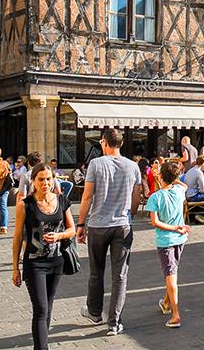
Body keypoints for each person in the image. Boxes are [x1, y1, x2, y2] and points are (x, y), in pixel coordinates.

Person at [76, 128, 142, 336]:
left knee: (96, 271)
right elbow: (137, 196)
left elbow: (87, 197)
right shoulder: (133, 167)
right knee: (120, 275)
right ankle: (114, 322)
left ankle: (95, 312)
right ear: (121, 144)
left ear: (104, 142)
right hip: (122, 225)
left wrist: (80, 224)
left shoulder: (95, 164)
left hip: (97, 224)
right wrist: (128, 216)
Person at [12, 163, 75, 350]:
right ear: (33, 181)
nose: (45, 183)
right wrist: (15, 267)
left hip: (56, 261)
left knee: (48, 306)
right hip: (34, 262)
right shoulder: (25, 204)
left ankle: (42, 342)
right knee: (40, 309)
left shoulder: (62, 201)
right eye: (41, 179)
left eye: (48, 179)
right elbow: (17, 237)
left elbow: (72, 229)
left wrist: (59, 236)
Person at [145, 162, 191, 328]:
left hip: (166, 240)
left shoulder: (155, 197)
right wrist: (175, 179)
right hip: (181, 239)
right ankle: (166, 304)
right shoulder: (179, 191)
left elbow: (155, 222)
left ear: (160, 176)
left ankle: (176, 314)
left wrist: (174, 227)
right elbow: (184, 185)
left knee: (171, 276)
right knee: (173, 272)